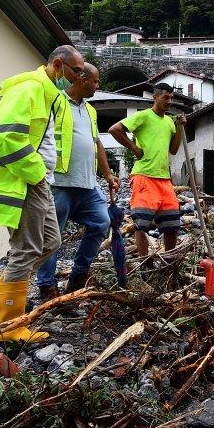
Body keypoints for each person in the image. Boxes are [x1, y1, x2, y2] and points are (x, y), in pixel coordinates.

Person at [0, 44, 87, 343]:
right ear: (58, 66)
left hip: (38, 179)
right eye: (76, 71)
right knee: (28, 247)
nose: (78, 78)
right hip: (23, 179)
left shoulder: (51, 94)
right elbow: (5, 136)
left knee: (50, 240)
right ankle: (8, 327)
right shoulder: (29, 90)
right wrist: (35, 173)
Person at [36, 63, 120, 301]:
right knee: (52, 238)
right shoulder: (57, 102)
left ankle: (78, 275)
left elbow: (96, 143)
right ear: (82, 80)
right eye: (95, 81)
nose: (98, 86)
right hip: (60, 182)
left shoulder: (91, 110)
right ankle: (47, 287)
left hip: (87, 184)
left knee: (101, 222)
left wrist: (108, 174)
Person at [109, 83, 184, 255]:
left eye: (171, 98)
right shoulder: (143, 116)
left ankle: (169, 261)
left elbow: (173, 149)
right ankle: (144, 263)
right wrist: (134, 148)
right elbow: (115, 130)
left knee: (171, 224)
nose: (169, 101)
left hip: (164, 179)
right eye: (166, 97)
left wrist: (179, 127)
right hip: (144, 176)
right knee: (142, 224)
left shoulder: (169, 122)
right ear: (155, 97)